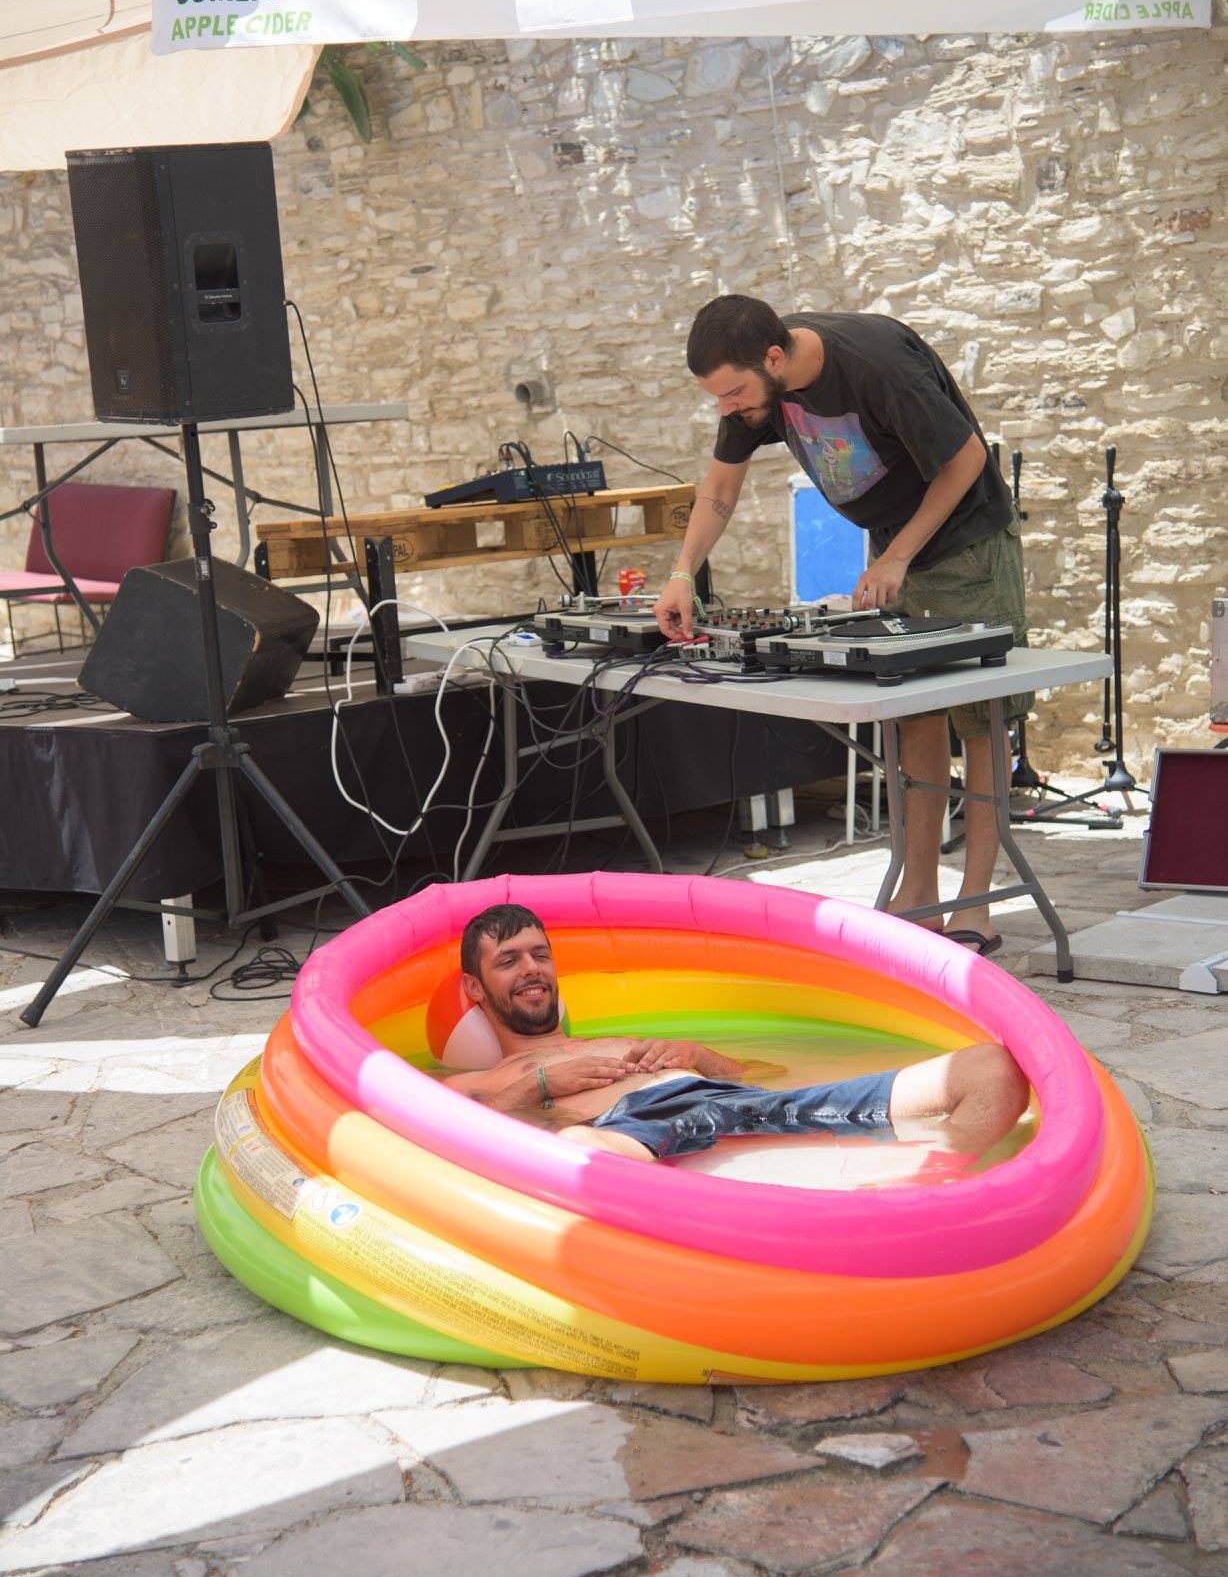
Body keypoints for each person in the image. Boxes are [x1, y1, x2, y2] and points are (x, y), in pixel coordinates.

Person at [653, 295, 1032, 957]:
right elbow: (719, 489)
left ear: (774, 358)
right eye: (718, 398)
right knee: (914, 717)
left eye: (734, 393)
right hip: (897, 549)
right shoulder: (753, 391)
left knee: (981, 721)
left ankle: (976, 903)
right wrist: (683, 571)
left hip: (966, 545)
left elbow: (967, 459)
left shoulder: (876, 366)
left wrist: (897, 556)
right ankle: (919, 894)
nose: (729, 409)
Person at [442, 903, 1029, 1165]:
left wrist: (701, 1055)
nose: (532, 970)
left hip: (732, 1102)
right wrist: (541, 1085)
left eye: (540, 955)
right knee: (577, 1157)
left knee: (993, 1069)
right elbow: (450, 1134)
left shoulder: (615, 1039)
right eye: (510, 961)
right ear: (475, 988)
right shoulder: (481, 1080)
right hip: (632, 1129)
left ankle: (935, 1181)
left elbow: (766, 1074)